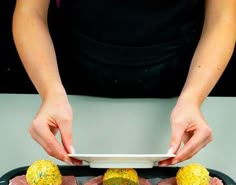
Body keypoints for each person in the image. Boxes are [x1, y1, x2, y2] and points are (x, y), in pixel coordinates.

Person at [12, 0, 236, 165]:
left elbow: (222, 16)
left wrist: (193, 99)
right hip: (74, 78)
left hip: (178, 76)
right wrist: (50, 92)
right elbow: (30, 11)